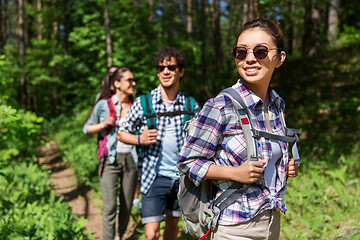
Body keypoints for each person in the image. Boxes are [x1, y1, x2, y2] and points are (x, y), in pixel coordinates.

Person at [178, 18, 300, 240]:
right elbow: (188, 161)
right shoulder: (220, 106)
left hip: (271, 221)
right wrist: (235, 173)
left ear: (279, 58)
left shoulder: (277, 104)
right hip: (234, 227)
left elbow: (267, 156)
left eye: (261, 51)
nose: (250, 58)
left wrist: (285, 166)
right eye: (241, 52)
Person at [118, 46, 200, 240]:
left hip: (182, 179)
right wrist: (140, 139)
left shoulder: (191, 105)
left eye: (171, 67)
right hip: (153, 177)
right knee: (151, 233)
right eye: (160, 67)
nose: (165, 71)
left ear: (181, 71)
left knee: (173, 224)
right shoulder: (143, 103)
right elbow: (122, 134)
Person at [83, 67, 138, 240]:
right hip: (110, 160)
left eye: (133, 80)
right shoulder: (103, 105)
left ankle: (119, 235)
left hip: (131, 159)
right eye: (129, 80)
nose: (133, 83)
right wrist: (103, 124)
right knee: (109, 207)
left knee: (127, 205)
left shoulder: (136, 105)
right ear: (116, 84)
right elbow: (86, 128)